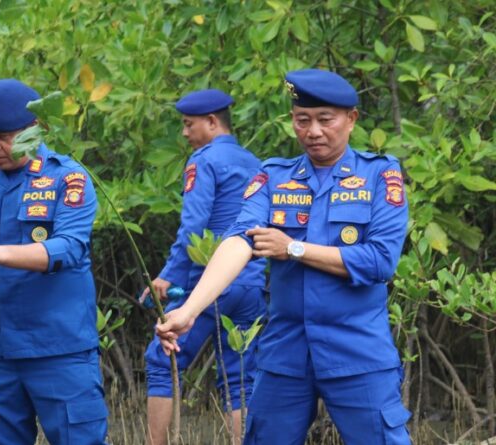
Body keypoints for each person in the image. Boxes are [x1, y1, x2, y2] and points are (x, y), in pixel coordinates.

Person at [156, 69, 412, 444]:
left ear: (351, 119)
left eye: (325, 120)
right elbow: (238, 241)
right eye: (302, 120)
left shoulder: (380, 175)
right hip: (285, 353)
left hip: (358, 351)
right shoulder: (274, 176)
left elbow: (379, 261)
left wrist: (293, 248)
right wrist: (190, 311)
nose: (313, 131)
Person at [0, 79, 108, 445]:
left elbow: (69, 248)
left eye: (3, 137)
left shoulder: (68, 177)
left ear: (33, 129)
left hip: (60, 349)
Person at [142, 90, 266, 445]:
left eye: (188, 125)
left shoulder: (204, 160)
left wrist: (168, 276)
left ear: (212, 122)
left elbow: (193, 227)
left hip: (210, 284)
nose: (184, 133)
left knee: (161, 360)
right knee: (239, 378)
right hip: (251, 284)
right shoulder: (255, 162)